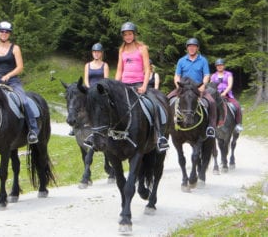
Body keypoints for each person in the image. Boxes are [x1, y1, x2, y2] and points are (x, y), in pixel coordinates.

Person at [115, 21, 169, 151]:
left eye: (130, 34)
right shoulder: (121, 50)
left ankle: (160, 136)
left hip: (139, 84)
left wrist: (144, 86)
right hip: (124, 85)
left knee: (154, 103)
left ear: (134, 34)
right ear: (123, 36)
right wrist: (116, 85)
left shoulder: (142, 48)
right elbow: (119, 70)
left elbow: (147, 69)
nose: (128, 36)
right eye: (125, 34)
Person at [168, 38, 216, 138]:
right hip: (184, 88)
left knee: (211, 102)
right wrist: (179, 86)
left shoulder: (203, 60)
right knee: (167, 99)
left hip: (197, 88)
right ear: (187, 48)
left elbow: (207, 75)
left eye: (194, 46)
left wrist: (203, 86)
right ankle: (166, 127)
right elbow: (177, 75)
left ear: (197, 48)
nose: (192, 48)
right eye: (190, 46)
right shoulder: (181, 60)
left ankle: (211, 127)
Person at [70, 43, 110, 136]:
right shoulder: (88, 65)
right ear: (92, 53)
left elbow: (105, 80)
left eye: (98, 52)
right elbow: (86, 79)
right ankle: (76, 124)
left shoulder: (105, 65)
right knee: (77, 101)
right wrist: (89, 88)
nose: (96, 54)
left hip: (100, 89)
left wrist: (97, 89)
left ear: (101, 53)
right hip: (89, 89)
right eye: (94, 52)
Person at [211, 58, 243, 132]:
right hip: (216, 95)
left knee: (237, 105)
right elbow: (211, 86)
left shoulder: (228, 74)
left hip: (227, 95)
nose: (219, 66)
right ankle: (209, 125)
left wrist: (224, 93)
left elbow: (230, 85)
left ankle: (238, 124)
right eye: (218, 65)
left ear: (224, 66)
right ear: (216, 67)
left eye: (221, 65)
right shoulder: (213, 76)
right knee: (209, 106)